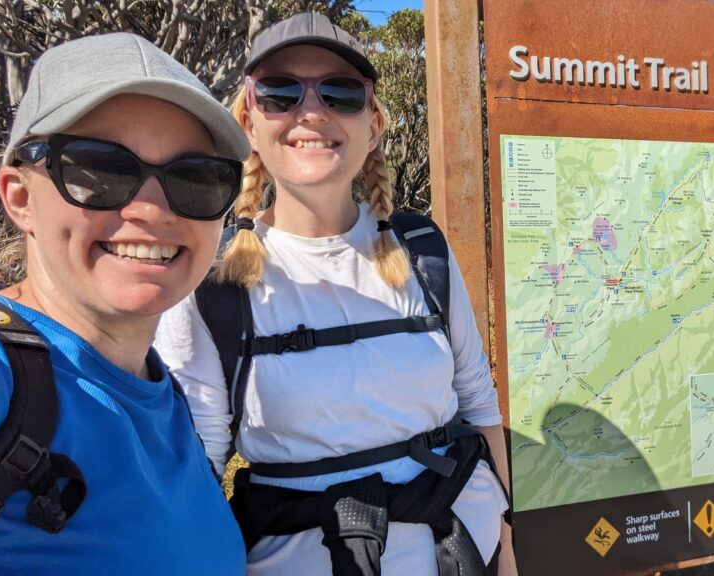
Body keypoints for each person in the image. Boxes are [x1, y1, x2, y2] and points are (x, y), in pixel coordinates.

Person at [154, 12, 517, 575]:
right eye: (280, 93)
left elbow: (477, 398)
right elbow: (199, 464)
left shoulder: (422, 248)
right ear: (249, 122)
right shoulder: (212, 278)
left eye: (341, 93)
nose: (312, 112)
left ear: (372, 125)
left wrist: (508, 543)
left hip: (467, 550)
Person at [0, 32, 249, 574]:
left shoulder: (163, 396)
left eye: (195, 178)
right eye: (98, 169)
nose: (151, 209)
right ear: (19, 197)